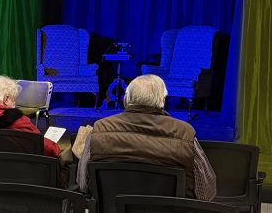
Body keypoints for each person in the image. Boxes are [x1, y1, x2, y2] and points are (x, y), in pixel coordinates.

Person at [77, 73, 217, 200]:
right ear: (163, 101)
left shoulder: (99, 130)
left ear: (126, 100)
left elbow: (83, 184)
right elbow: (206, 193)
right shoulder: (185, 135)